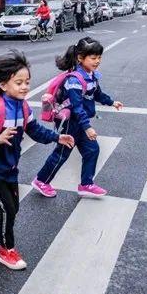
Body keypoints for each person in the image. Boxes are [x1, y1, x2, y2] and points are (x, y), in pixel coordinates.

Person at [0, 52, 74, 270]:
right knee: (8, 208)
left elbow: (34, 130)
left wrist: (57, 137)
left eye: (27, 82)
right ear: (4, 85)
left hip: (11, 166)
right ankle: (6, 250)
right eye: (19, 82)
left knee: (12, 207)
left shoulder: (23, 107)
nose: (25, 86)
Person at [32, 37, 124, 198]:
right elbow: (77, 107)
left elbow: (97, 93)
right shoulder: (74, 80)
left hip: (80, 122)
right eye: (93, 58)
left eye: (99, 57)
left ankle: (86, 184)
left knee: (92, 150)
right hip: (71, 123)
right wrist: (87, 127)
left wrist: (111, 102)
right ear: (81, 58)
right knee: (62, 154)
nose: (97, 61)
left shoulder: (91, 75)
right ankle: (41, 180)